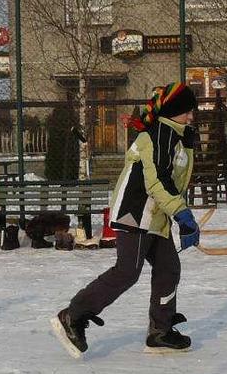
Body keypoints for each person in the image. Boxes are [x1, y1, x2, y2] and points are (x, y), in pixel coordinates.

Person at [51, 81, 199, 358]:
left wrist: (177, 211)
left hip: (156, 216)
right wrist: (182, 213)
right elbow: (157, 182)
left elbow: (174, 181)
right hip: (135, 213)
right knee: (127, 270)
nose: (191, 116)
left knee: (168, 269)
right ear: (172, 111)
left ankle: (161, 330)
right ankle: (73, 315)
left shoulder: (176, 136)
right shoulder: (158, 136)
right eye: (186, 111)